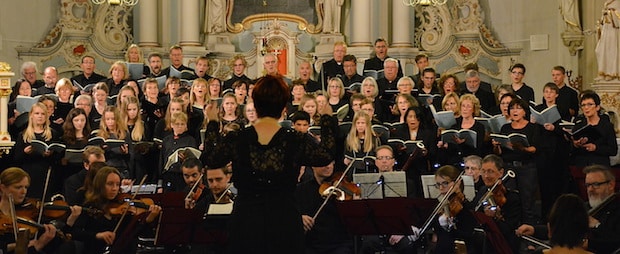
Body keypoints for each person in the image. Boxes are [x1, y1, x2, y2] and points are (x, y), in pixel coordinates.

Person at [201, 74, 335, 253]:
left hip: (247, 220)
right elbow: (325, 155)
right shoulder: (295, 140)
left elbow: (210, 158)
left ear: (255, 105)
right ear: (283, 108)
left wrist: (212, 122)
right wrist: (326, 119)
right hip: (284, 219)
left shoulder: (238, 139)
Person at [70, 166, 161, 254]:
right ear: (100, 185)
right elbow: (75, 233)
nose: (114, 188)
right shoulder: (89, 206)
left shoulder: (124, 208)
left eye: (117, 184)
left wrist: (148, 220)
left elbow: (133, 234)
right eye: (110, 184)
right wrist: (98, 235)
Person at [492, 97, 540, 224]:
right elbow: (499, 153)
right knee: (510, 200)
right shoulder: (505, 128)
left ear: (524, 111)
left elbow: (535, 148)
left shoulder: (532, 128)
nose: (515, 111)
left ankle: (528, 231)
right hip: (509, 167)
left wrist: (522, 148)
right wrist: (497, 145)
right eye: (512, 108)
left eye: (518, 108)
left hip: (526, 167)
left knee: (527, 201)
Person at [0, 167, 68, 254]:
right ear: (3, 188)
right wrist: (35, 245)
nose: (23, 191)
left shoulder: (26, 214)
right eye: (18, 187)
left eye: (26, 187)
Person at [296, 161, 354, 254]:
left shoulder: (340, 188)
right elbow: (290, 214)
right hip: (311, 244)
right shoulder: (301, 190)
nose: (328, 166)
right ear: (313, 166)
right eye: (323, 163)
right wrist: (299, 219)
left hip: (339, 244)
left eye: (331, 163)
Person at [473, 154, 522, 254]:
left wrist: (495, 218)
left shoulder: (512, 197)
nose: (486, 176)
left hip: (503, 247)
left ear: (501, 173)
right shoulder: (482, 191)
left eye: (490, 171)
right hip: (483, 244)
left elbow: (508, 229)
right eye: (483, 171)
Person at [13, 102, 60, 199]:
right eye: (37, 113)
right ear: (31, 115)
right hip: (28, 173)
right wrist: (25, 153)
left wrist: (50, 154)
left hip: (46, 173)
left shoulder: (53, 134)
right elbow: (16, 159)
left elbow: (58, 158)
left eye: (43, 114)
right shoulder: (23, 135)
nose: (40, 116)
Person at [571, 91, 618, 167]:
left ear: (597, 107)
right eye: (583, 105)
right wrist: (575, 144)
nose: (586, 108)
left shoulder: (606, 126)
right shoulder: (579, 125)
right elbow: (572, 151)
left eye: (590, 104)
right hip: (581, 165)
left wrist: (596, 148)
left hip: (600, 165)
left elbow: (613, 150)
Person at [595, 0, 620, 81]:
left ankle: (612, 73)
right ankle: (603, 72)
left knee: (612, 51)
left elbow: (618, 18)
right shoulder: (606, 3)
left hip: (614, 31)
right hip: (606, 30)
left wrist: (609, 13)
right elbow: (603, 20)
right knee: (600, 50)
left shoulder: (617, 2)